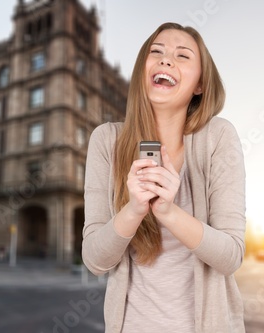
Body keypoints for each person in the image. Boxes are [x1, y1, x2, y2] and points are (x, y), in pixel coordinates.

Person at [82, 22, 246, 333]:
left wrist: (169, 212)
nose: (166, 59)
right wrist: (133, 210)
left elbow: (230, 257)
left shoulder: (218, 137)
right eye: (156, 52)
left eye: (182, 56)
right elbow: (94, 260)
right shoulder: (105, 140)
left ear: (200, 84)